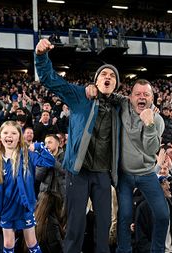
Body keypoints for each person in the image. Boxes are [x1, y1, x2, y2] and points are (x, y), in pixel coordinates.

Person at [35, 38, 121, 253]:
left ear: (116, 84)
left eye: (112, 76)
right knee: (75, 226)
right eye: (103, 74)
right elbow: (49, 79)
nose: (108, 77)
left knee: (103, 227)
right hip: (78, 172)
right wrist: (41, 56)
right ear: (96, 81)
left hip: (102, 174)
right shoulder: (80, 96)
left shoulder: (121, 105)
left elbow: (142, 104)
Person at [0, 121, 55, 253]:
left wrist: (38, 146)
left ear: (20, 137)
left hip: (23, 207)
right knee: (7, 243)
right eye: (5, 132)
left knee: (31, 242)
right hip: (5, 208)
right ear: (0, 137)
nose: (9, 135)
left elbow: (49, 161)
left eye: (14, 133)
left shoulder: (27, 155)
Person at [109, 79, 169, 253]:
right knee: (125, 215)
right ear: (130, 97)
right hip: (125, 175)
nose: (142, 97)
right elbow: (108, 94)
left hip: (148, 174)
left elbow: (151, 149)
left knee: (162, 215)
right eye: (138, 94)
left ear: (152, 98)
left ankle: (157, 250)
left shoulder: (157, 120)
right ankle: (123, 250)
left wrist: (149, 124)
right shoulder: (123, 105)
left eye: (146, 94)